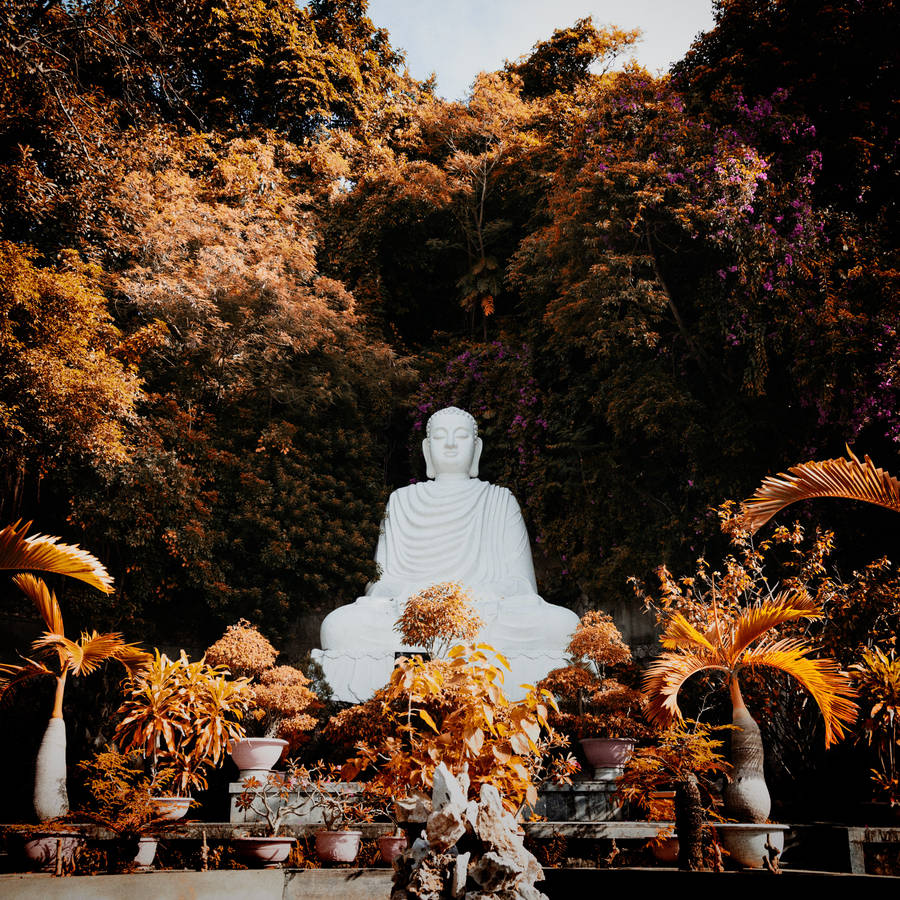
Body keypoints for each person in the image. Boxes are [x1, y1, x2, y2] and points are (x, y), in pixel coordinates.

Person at [312, 406, 579, 701]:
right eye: (440, 437)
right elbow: (382, 584)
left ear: (476, 449)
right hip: (413, 618)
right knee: (338, 627)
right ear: (428, 450)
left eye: (461, 436)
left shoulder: (499, 500)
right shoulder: (402, 501)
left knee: (564, 627)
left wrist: (468, 597)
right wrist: (420, 599)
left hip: (485, 614)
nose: (451, 444)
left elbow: (521, 584)